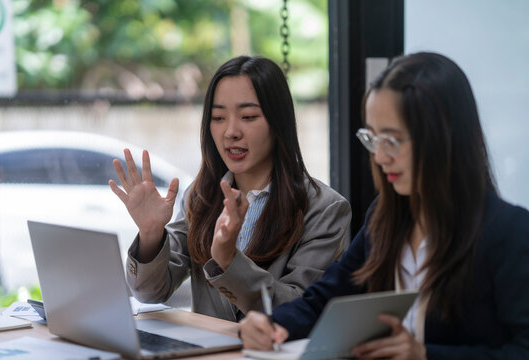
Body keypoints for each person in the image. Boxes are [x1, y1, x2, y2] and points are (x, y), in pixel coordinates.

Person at [239, 52, 529, 359]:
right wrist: (271, 323)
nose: (379, 157)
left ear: (444, 138)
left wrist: (424, 355)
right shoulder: (385, 215)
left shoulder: (508, 232)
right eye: (372, 139)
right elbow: (327, 300)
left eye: (391, 141)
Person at [109, 55, 351, 322]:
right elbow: (151, 291)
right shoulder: (199, 196)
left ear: (278, 122)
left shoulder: (325, 208)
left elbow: (297, 307)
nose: (231, 132)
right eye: (218, 117)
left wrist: (228, 261)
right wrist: (151, 234)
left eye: (248, 116)